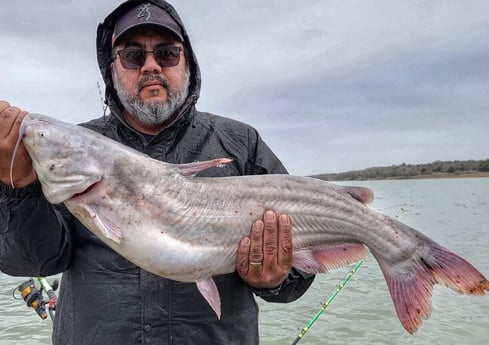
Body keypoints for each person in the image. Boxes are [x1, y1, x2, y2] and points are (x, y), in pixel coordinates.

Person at [0, 1, 314, 344]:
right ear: (112, 69)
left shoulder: (241, 143)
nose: (151, 66)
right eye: (133, 56)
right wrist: (17, 186)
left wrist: (273, 278)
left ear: (188, 64)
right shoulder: (73, 155)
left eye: (166, 54)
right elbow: (33, 262)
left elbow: (296, 278)